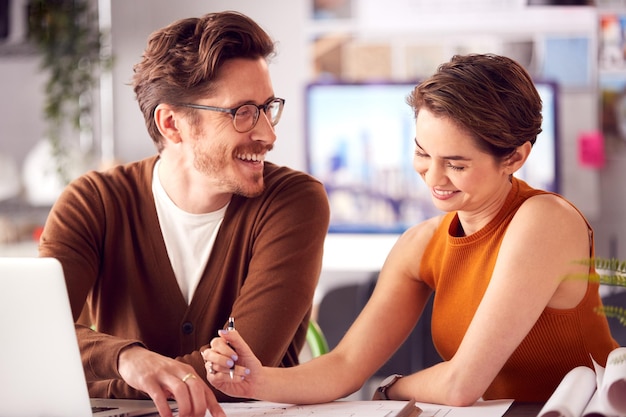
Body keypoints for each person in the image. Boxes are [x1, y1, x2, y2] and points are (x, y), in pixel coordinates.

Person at [204, 53, 619, 406]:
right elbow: (346, 364)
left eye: (456, 164)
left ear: (514, 157)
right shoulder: (420, 244)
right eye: (422, 152)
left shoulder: (544, 219)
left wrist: (390, 390)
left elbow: (461, 385)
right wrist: (256, 380)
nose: (432, 176)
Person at [38, 10, 330, 417]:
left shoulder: (293, 202)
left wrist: (96, 377)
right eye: (243, 112)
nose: (268, 134)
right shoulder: (93, 203)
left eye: (267, 107)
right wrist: (128, 359)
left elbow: (237, 377)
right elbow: (37, 334)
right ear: (172, 124)